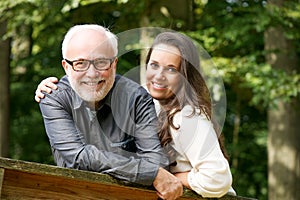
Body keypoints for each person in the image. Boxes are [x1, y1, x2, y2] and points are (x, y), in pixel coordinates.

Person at [35, 30, 236, 198]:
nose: (159, 76)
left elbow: (218, 178)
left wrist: (171, 177)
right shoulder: (145, 102)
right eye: (154, 65)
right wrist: (52, 88)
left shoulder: (187, 116)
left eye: (171, 69)